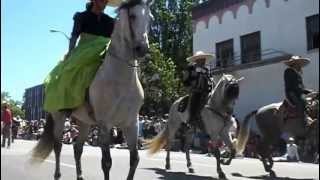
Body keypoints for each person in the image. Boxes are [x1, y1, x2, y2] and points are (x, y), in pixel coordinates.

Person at [43, 0, 121, 116]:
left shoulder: (110, 21)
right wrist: (70, 52)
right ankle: (68, 104)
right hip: (85, 49)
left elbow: (115, 37)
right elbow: (74, 35)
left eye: (106, 0)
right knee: (69, 71)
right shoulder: (81, 16)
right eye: (102, 0)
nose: (105, 2)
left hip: (106, 49)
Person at [182, 51, 215, 128]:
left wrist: (210, 80)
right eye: (201, 60)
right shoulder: (190, 68)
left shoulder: (206, 69)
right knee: (194, 100)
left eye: (204, 60)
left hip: (206, 91)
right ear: (197, 60)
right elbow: (185, 81)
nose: (203, 61)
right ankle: (191, 119)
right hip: (195, 91)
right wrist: (191, 86)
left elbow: (210, 79)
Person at [283, 56, 313, 126]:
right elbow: (293, 86)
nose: (300, 66)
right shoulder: (288, 71)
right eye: (299, 64)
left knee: (313, 100)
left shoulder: (298, 73)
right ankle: (303, 122)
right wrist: (305, 91)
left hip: (298, 92)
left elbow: (301, 87)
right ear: (295, 64)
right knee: (302, 101)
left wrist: (310, 91)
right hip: (292, 93)